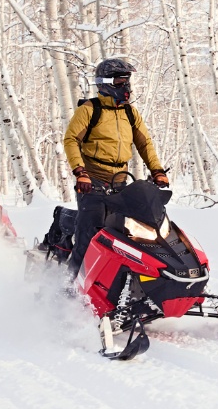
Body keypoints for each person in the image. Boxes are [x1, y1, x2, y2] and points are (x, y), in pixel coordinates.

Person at [63, 58, 169, 274]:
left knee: (133, 235)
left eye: (128, 82)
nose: (126, 87)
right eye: (121, 82)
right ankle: (68, 287)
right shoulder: (90, 110)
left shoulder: (130, 113)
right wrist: (80, 173)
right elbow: (71, 140)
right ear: (106, 83)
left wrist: (156, 170)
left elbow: (144, 143)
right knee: (89, 235)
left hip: (121, 182)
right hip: (92, 182)